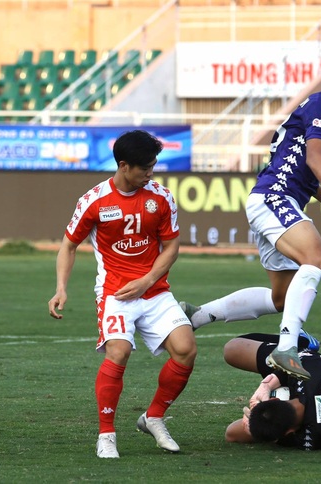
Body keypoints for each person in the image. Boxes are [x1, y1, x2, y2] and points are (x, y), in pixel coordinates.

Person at [180, 43, 321, 380]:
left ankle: (198, 315)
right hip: (274, 198)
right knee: (317, 259)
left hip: (274, 198)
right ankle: (287, 347)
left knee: (281, 298)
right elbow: (313, 157)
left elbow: (293, 157)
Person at [47, 130, 196, 458]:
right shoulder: (95, 200)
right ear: (124, 165)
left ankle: (153, 417)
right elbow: (68, 245)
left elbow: (171, 247)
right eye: (145, 168)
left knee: (186, 350)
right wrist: (61, 288)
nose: (151, 173)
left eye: (154, 166)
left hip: (154, 290)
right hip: (115, 293)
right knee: (119, 351)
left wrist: (147, 280)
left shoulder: (161, 197)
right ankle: (106, 435)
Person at [223, 333, 321, 450]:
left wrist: (253, 426)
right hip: (311, 364)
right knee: (233, 349)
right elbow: (290, 361)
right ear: (274, 399)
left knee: (237, 433)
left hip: (318, 382)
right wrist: (267, 386)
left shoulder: (315, 438)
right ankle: (302, 341)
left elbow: (231, 434)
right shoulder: (313, 438)